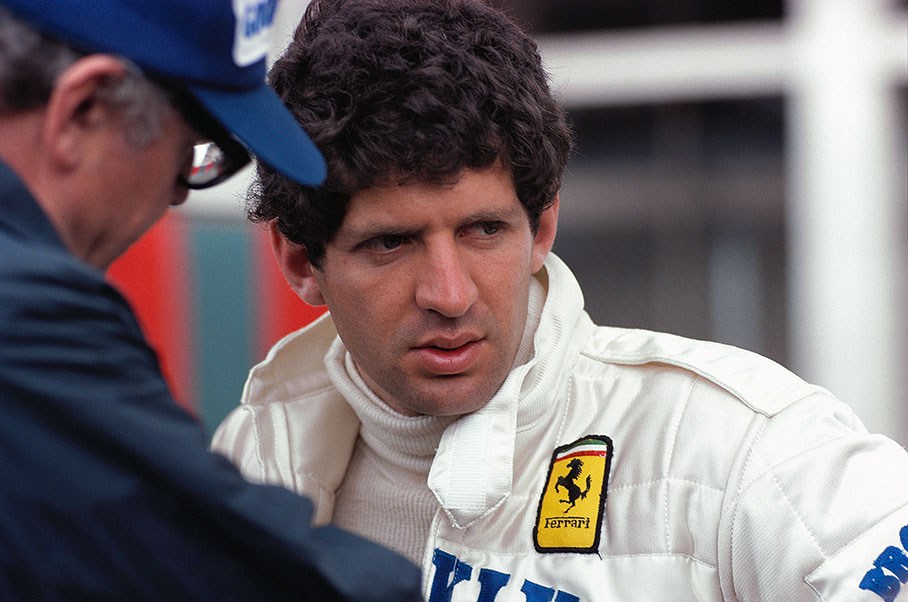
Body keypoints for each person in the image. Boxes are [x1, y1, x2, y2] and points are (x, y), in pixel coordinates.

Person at [211, 0, 908, 600]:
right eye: (391, 243)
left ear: (541, 227)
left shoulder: (738, 445)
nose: (449, 294)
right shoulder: (248, 465)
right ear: (301, 261)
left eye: (484, 230)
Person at [0, 0, 423, 599]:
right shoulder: (28, 315)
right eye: (190, 156)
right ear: (83, 110)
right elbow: (246, 574)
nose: (176, 197)